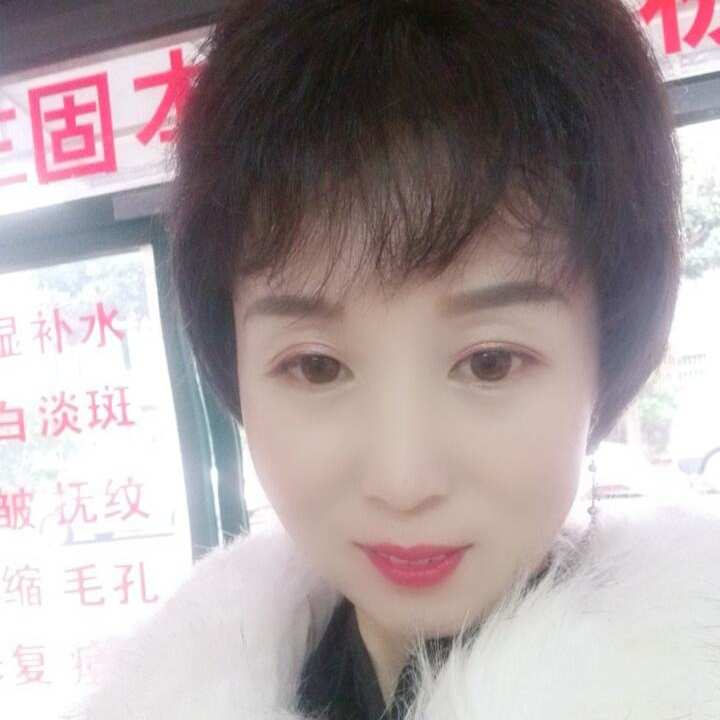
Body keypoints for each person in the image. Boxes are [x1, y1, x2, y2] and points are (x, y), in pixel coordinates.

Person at [79, 1, 720, 719]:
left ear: (609, 352)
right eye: (316, 366)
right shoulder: (167, 693)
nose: (402, 481)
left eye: (489, 362)